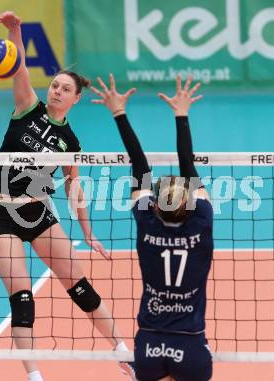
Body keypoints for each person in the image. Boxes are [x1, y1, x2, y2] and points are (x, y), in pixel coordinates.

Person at [0, 12, 130, 381]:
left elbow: (73, 187)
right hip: (2, 213)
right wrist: (15, 30)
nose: (56, 91)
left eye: (65, 89)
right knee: (22, 300)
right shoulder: (27, 109)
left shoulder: (71, 143)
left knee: (80, 287)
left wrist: (87, 232)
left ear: (76, 99)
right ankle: (35, 376)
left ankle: (123, 351)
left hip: (40, 215)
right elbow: (19, 68)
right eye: (54, 85)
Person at [91, 74, 213, 381]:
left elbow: (140, 166)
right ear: (191, 204)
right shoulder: (201, 224)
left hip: (148, 346)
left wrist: (118, 113)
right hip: (191, 344)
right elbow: (189, 167)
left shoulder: (148, 226)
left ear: (155, 205)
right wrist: (181, 114)